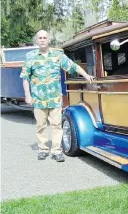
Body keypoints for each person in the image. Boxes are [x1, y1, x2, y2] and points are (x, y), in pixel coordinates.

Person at [20, 30, 94, 162]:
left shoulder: (57, 55)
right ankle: (43, 149)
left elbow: (73, 66)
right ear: (37, 41)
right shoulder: (30, 56)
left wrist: (86, 75)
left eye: (45, 38)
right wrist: (27, 95)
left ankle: (56, 151)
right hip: (39, 98)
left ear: (49, 40)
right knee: (40, 126)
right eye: (40, 38)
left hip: (55, 98)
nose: (42, 40)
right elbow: (25, 77)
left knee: (56, 125)